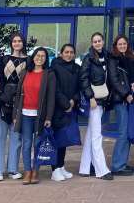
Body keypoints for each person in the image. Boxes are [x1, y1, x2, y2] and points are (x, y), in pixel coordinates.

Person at [13, 47, 56, 185]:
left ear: (46, 59)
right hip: (25, 114)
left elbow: (51, 98)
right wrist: (15, 115)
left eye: (43, 56)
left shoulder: (49, 74)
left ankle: (36, 170)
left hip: (40, 116)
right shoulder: (25, 72)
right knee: (26, 144)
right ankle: (27, 171)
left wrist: (48, 117)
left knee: (38, 143)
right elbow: (18, 95)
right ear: (33, 57)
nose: (40, 58)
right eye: (38, 55)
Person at [0, 33, 27, 181]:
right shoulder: (4, 59)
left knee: (17, 138)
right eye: (14, 41)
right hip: (4, 102)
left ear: (23, 43)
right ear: (11, 43)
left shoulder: (28, 61)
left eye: (19, 41)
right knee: (0, 137)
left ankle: (13, 169)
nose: (17, 43)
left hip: (19, 103)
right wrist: (2, 96)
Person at [78, 32, 113, 180]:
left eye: (99, 41)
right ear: (92, 44)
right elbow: (83, 78)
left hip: (103, 100)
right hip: (94, 101)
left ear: (103, 42)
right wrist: (90, 96)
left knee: (92, 134)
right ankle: (101, 170)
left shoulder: (107, 56)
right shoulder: (88, 58)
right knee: (97, 135)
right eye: (95, 41)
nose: (97, 43)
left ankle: (85, 167)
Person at [108, 35, 134, 176]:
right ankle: (117, 166)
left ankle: (122, 163)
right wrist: (126, 94)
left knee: (127, 132)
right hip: (121, 100)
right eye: (119, 44)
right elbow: (114, 80)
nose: (122, 46)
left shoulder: (130, 58)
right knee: (122, 132)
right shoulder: (113, 59)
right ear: (115, 45)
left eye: (124, 43)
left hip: (130, 100)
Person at [50, 44, 81, 181]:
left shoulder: (77, 69)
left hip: (70, 108)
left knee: (64, 139)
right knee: (56, 140)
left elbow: (79, 88)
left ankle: (61, 166)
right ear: (61, 53)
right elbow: (54, 89)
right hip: (57, 109)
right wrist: (65, 104)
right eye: (66, 52)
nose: (69, 54)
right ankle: (54, 169)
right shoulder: (55, 67)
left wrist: (73, 101)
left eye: (71, 52)